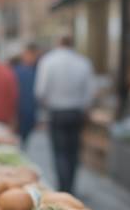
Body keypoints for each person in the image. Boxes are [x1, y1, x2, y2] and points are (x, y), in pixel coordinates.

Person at [35, 35, 94, 193]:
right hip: (75, 112)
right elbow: (88, 93)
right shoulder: (83, 62)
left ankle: (63, 187)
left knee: (59, 151)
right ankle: (71, 186)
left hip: (56, 112)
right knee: (73, 151)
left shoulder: (48, 61)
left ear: (58, 43)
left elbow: (40, 91)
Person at [13, 43, 40, 146]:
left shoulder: (36, 71)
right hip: (19, 112)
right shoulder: (17, 71)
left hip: (29, 113)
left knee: (24, 141)